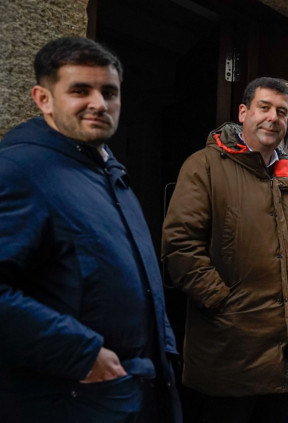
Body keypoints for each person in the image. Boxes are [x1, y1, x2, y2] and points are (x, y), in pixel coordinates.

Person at [0, 37, 181, 422]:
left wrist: (163, 348)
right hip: (70, 400)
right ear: (43, 98)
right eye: (80, 90)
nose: (99, 103)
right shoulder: (18, 172)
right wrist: (82, 354)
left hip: (133, 390)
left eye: (109, 92)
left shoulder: (110, 172)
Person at [161, 77, 288, 423]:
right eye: (265, 108)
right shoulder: (205, 166)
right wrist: (220, 301)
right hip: (229, 348)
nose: (273, 118)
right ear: (243, 112)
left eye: (283, 112)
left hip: (286, 353)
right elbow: (180, 244)